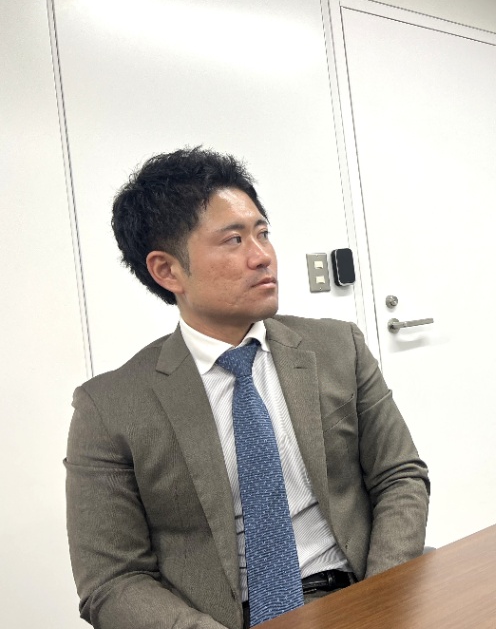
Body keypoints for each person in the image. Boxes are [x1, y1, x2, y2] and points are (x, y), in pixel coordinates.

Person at [65, 148, 430, 628]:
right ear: (167, 270)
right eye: (233, 240)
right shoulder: (110, 407)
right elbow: (111, 581)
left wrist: (377, 599)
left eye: (262, 233)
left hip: (355, 594)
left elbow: (399, 476)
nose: (262, 257)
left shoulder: (337, 348)